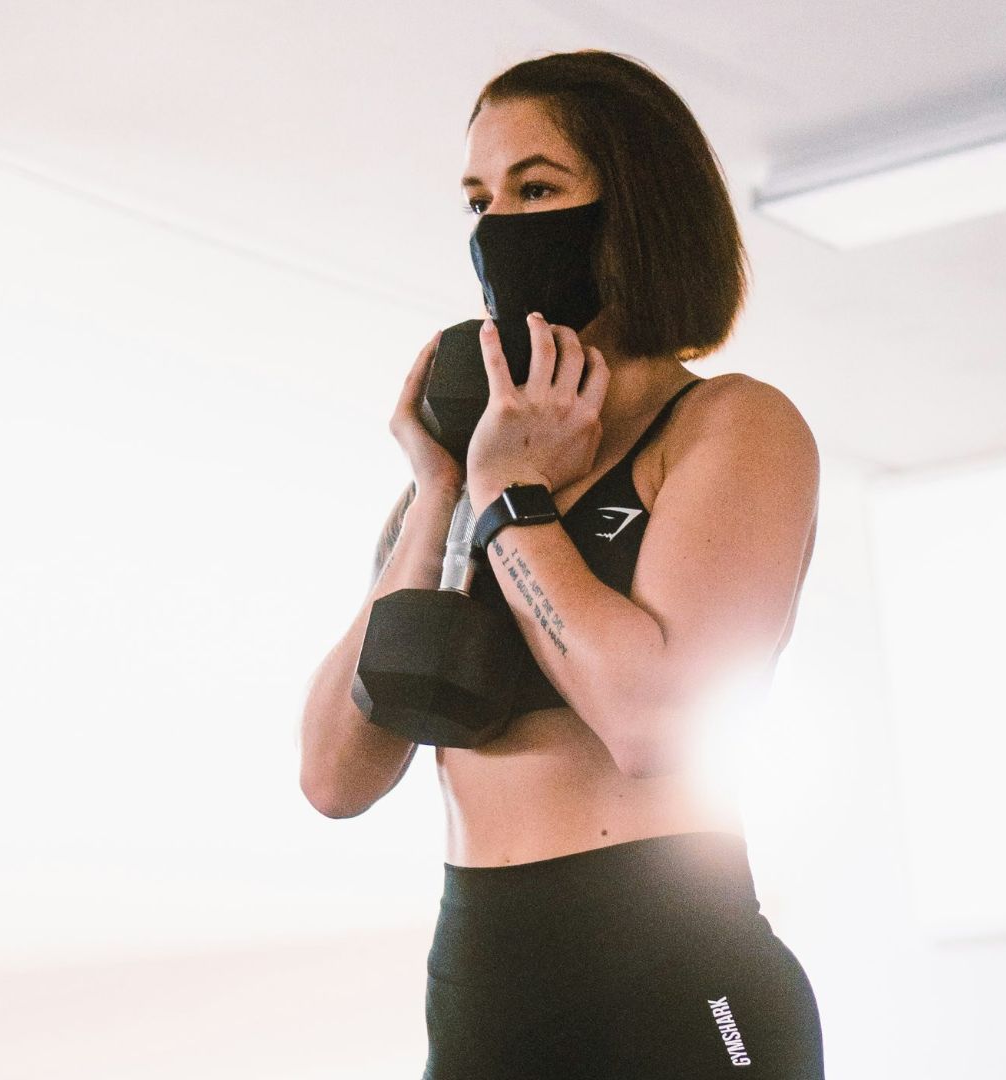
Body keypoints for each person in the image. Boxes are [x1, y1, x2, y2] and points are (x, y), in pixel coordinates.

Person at [299, 49, 823, 1079]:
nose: (500, 226)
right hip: (481, 977)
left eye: (538, 189)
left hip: (674, 972)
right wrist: (444, 489)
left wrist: (514, 500)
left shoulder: (725, 427)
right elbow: (332, 776)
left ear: (634, 209)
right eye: (479, 199)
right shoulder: (454, 480)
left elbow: (650, 723)